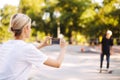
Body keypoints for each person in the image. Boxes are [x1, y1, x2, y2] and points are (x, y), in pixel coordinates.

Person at [0, 13, 66, 80]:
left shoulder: (4, 45)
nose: (31, 29)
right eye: (30, 27)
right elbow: (57, 64)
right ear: (26, 28)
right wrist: (63, 48)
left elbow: (22, 53)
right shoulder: (26, 48)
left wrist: (42, 45)